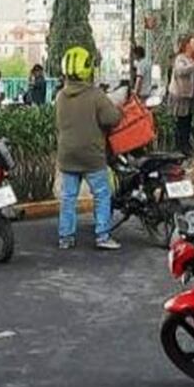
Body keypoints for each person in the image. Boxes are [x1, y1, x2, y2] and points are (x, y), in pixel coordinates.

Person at [55, 46, 123, 251]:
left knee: (68, 198)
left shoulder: (60, 96)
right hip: (92, 156)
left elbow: (57, 125)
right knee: (102, 194)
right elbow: (112, 118)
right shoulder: (95, 95)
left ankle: (66, 237)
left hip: (67, 155)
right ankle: (102, 236)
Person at [167, 35, 194, 157]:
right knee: (181, 122)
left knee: (187, 121)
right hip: (180, 96)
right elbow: (180, 71)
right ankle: (180, 146)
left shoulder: (190, 59)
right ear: (187, 45)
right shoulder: (181, 58)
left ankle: (186, 145)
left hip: (188, 95)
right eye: (193, 43)